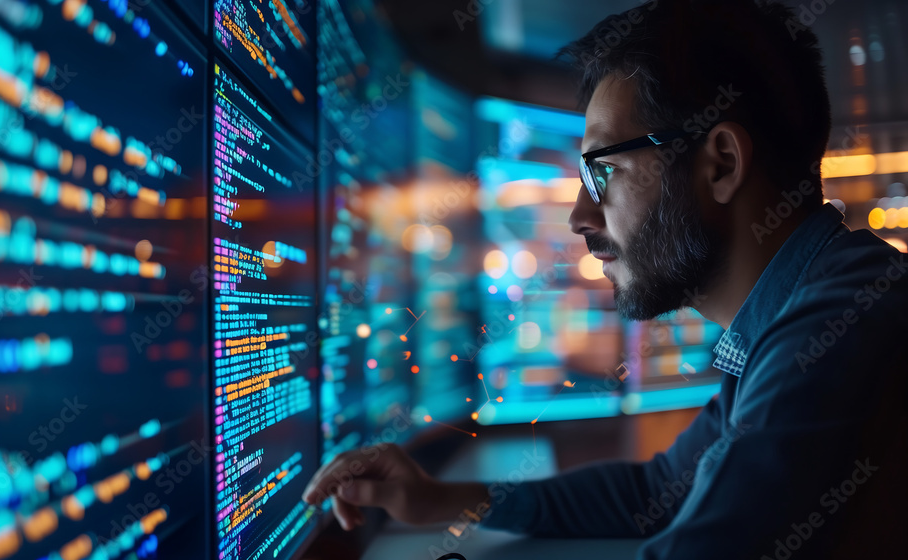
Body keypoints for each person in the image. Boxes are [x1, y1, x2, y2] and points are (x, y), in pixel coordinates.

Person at [303, 0, 908, 557]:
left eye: (605, 172)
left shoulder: (839, 324)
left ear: (721, 164)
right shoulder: (805, 307)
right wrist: (446, 500)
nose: (579, 217)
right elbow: (659, 491)